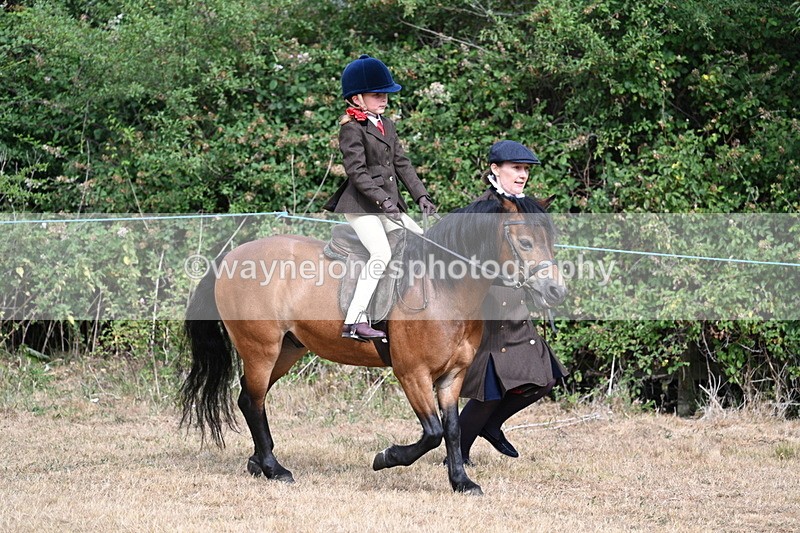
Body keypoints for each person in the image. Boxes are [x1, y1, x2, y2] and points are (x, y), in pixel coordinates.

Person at [457, 140, 568, 464]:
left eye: (526, 170)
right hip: (489, 308)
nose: (522, 175)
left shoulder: (526, 207)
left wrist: (541, 283)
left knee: (544, 379)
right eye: (516, 168)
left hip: (516, 308)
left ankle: (491, 426)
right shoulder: (483, 210)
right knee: (491, 388)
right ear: (495, 169)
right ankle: (458, 453)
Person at [323, 54, 437, 341]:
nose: (384, 99)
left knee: (422, 240)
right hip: (361, 205)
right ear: (357, 99)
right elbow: (356, 172)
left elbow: (402, 164)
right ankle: (354, 320)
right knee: (381, 253)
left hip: (388, 205)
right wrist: (383, 201)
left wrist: (421, 195)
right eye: (377, 95)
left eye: (385, 94)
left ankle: (400, 311)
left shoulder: (387, 124)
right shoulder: (351, 128)